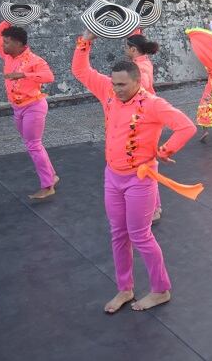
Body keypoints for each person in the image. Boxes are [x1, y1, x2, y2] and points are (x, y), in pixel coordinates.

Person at [72, 31, 197, 313]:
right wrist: (86, 39)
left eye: (123, 85)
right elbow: (80, 69)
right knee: (118, 233)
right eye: (114, 84)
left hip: (140, 178)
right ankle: (124, 289)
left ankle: (160, 289)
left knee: (140, 235)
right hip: (112, 177)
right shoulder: (108, 91)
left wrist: (165, 151)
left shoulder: (152, 104)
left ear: (138, 82)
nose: (116, 89)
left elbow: (186, 126)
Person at [0, 19, 58, 200]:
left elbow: (49, 77)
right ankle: (52, 176)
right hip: (17, 108)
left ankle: (48, 186)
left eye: (7, 42)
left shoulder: (35, 60)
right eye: (4, 42)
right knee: (33, 144)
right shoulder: (7, 55)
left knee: (33, 145)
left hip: (34, 107)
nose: (2, 44)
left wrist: (23, 74)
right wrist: (9, 19)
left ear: (18, 43)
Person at [125, 33, 163, 222]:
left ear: (133, 49)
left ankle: (154, 207)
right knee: (145, 163)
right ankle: (154, 205)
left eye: (127, 47)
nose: (125, 51)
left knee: (147, 163)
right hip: (144, 116)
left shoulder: (139, 66)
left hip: (146, 118)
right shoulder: (144, 61)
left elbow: (146, 84)